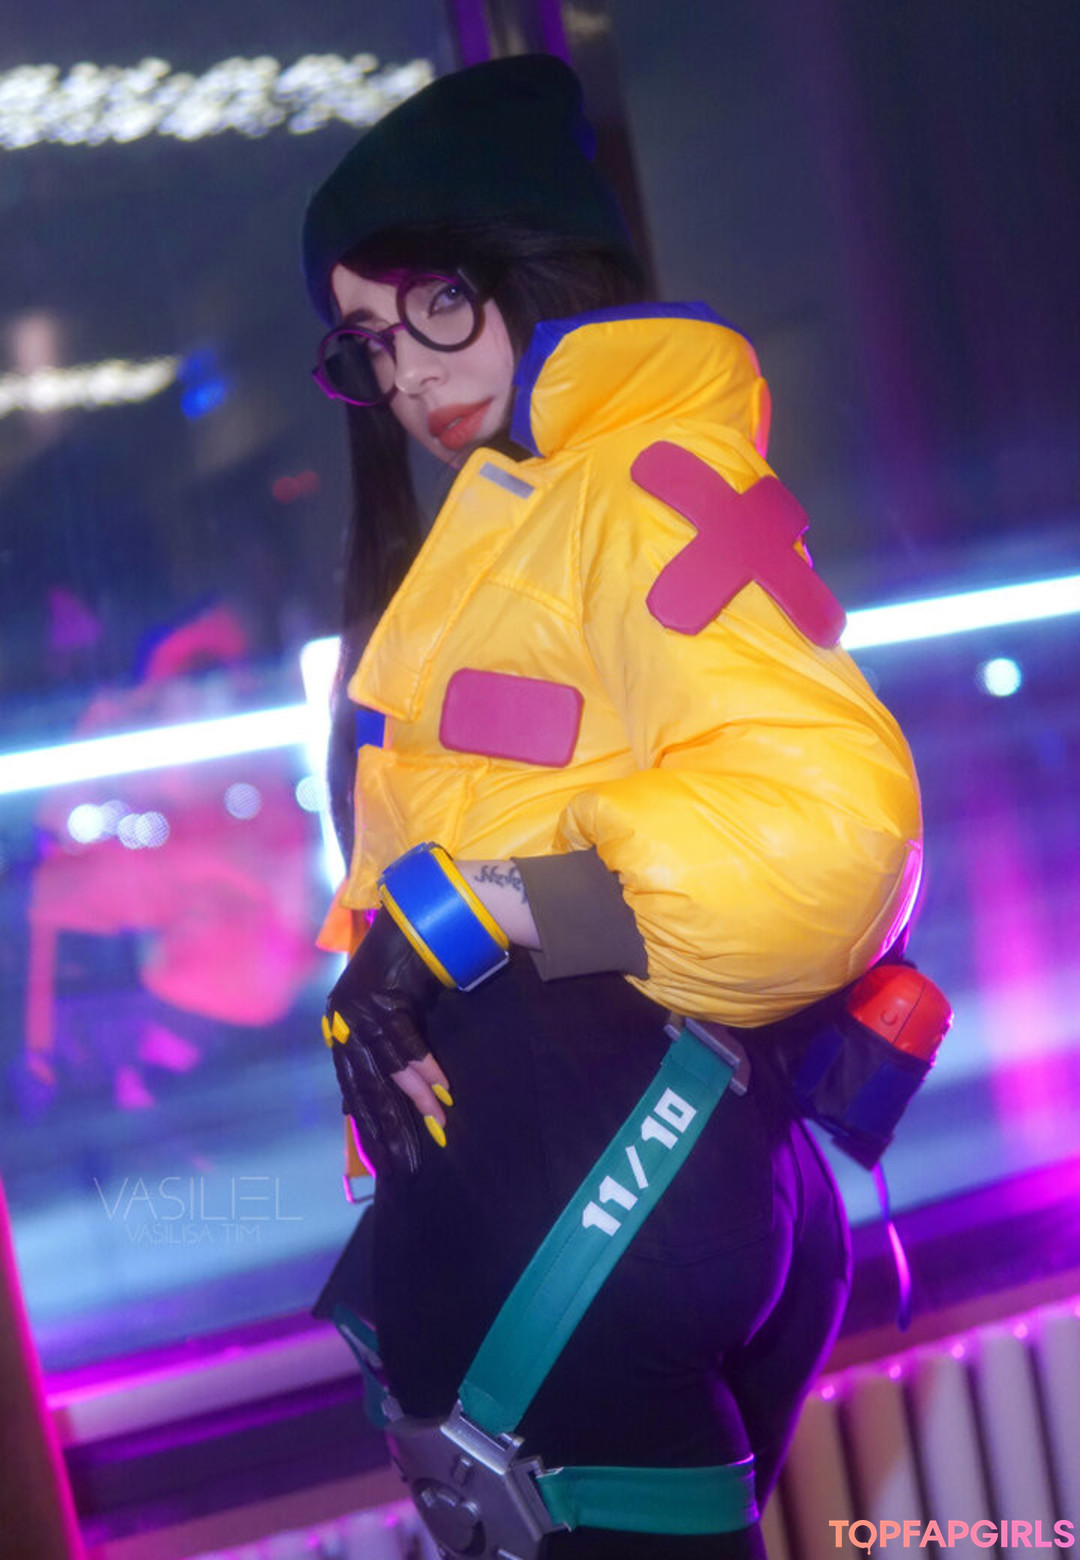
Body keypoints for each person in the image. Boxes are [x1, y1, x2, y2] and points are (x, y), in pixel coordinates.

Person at [302, 54, 922, 1559]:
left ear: (531, 263)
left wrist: (465, 913)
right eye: (369, 342)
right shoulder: (530, 516)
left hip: (602, 1196)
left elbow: (825, 835)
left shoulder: (636, 480)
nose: (407, 375)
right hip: (592, 1200)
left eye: (434, 305)